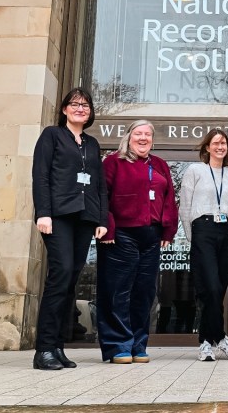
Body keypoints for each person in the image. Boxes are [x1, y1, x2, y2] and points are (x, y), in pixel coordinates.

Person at [31, 88, 108, 370]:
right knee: (59, 275)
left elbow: (99, 185)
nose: (80, 108)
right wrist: (43, 212)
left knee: (69, 281)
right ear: (64, 109)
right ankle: (44, 350)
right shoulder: (52, 135)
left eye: (85, 105)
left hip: (85, 217)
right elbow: (41, 176)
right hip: (58, 215)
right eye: (74, 104)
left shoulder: (91, 143)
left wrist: (102, 219)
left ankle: (58, 347)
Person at [98, 121, 178, 364]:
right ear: (129, 137)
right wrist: (108, 227)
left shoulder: (160, 165)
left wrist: (168, 231)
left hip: (151, 236)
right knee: (118, 291)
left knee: (144, 292)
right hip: (121, 234)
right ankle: (117, 345)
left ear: (152, 140)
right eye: (138, 134)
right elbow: (102, 196)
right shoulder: (113, 162)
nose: (143, 138)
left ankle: (138, 344)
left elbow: (169, 199)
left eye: (148, 135)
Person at [180, 129, 228, 362]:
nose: (220, 146)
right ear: (207, 147)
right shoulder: (195, 170)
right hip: (203, 229)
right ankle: (219, 338)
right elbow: (185, 205)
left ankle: (208, 342)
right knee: (210, 287)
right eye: (215, 143)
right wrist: (191, 236)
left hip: (225, 229)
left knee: (221, 286)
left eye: (224, 143)